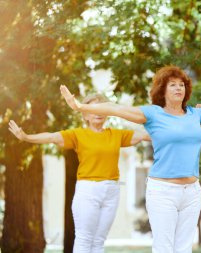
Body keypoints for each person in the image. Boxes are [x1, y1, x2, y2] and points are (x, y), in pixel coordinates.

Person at [60, 65, 201, 253]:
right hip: (163, 191)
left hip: (191, 191)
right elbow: (115, 108)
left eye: (181, 84)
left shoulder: (194, 114)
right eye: (172, 84)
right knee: (164, 248)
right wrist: (79, 106)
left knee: (184, 248)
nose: (178, 88)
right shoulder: (153, 114)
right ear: (162, 90)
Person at [8, 93, 150, 253]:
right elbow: (51, 137)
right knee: (84, 239)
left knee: (99, 241)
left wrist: (175, 127)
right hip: (88, 191)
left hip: (111, 192)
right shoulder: (78, 135)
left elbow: (146, 135)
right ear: (85, 115)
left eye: (101, 109)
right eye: (93, 109)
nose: (98, 113)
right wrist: (26, 137)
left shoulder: (116, 135)